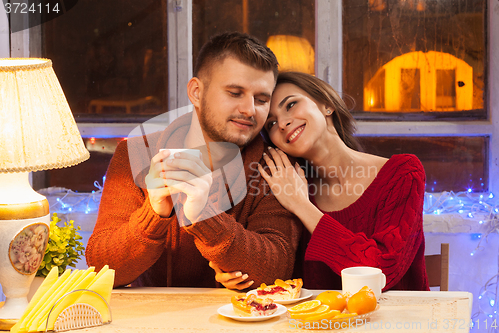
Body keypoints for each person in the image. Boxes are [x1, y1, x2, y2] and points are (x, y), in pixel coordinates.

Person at [86, 33, 302, 288]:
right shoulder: (136, 153)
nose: (249, 109)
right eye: (235, 93)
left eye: (262, 99)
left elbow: (276, 273)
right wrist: (154, 213)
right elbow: (101, 269)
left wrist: (205, 216)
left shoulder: (274, 166)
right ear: (197, 92)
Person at [211, 71, 429, 291]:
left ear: (327, 104)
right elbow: (276, 267)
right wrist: (235, 268)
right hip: (317, 323)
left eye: (291, 105)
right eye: (271, 124)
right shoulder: (285, 186)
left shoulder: (402, 174)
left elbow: (381, 273)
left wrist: (301, 205)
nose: (283, 123)